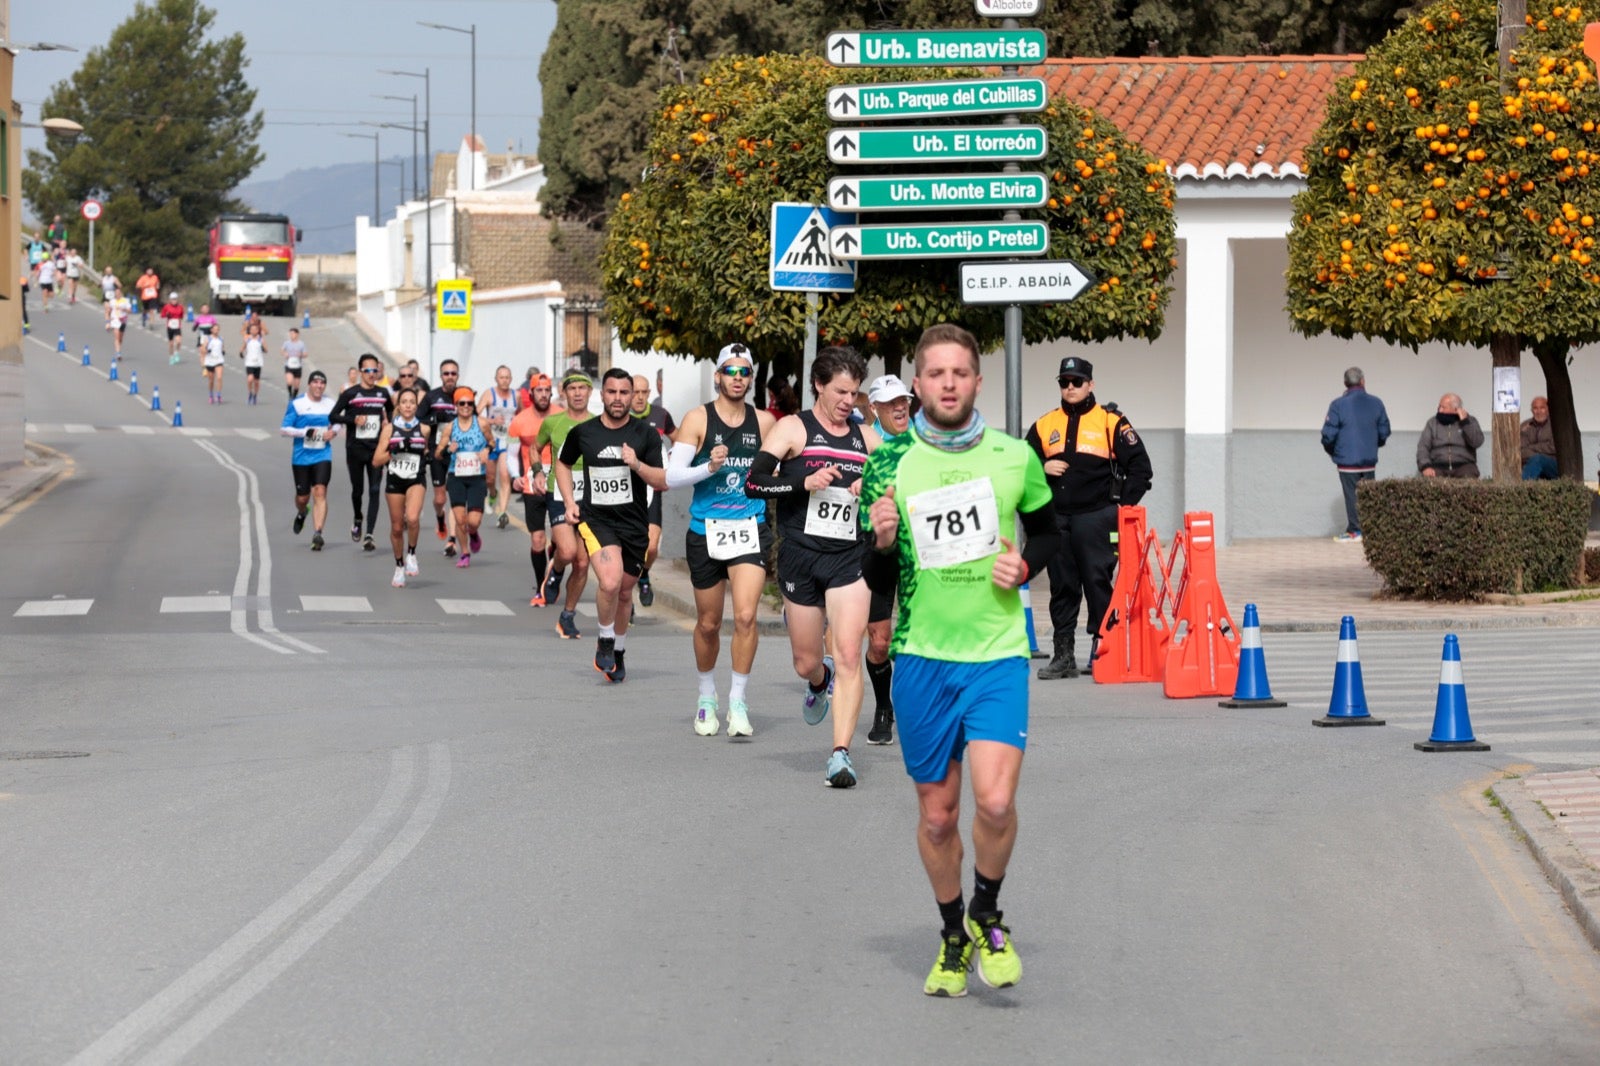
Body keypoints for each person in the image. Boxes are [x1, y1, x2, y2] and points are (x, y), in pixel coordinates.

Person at [860, 322, 1059, 999]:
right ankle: (952, 934)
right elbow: (876, 574)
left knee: (996, 803)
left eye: (960, 372)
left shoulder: (1013, 456)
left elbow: (1050, 531)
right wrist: (880, 542)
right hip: (922, 657)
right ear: (918, 383)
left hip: (996, 655)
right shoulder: (889, 464)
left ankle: (987, 911)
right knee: (939, 816)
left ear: (977, 380)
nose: (948, 384)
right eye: (936, 373)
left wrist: (1025, 565)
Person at [745, 346, 881, 788]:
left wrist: (874, 484)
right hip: (800, 555)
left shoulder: (867, 437)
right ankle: (818, 682)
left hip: (849, 558)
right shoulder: (793, 428)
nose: (848, 401)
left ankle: (840, 755)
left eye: (854, 393)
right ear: (819, 385)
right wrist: (802, 482)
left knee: (849, 653)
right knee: (806, 662)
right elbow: (753, 483)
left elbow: (897, 484)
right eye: (840, 391)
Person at [668, 342, 774, 736]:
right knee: (709, 623)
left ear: (751, 378)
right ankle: (706, 695)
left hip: (749, 527)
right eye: (730, 371)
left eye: (744, 372)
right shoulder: (697, 418)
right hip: (706, 530)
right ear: (718, 376)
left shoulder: (765, 422)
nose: (738, 378)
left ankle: (739, 702)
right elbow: (672, 476)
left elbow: (780, 467)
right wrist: (708, 468)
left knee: (745, 616)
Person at [1025, 356, 1152, 681]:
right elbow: (1022, 465)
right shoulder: (1044, 424)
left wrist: (1119, 509)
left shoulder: (1110, 421)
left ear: (1090, 384)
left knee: (1097, 584)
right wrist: (1041, 467)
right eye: (1064, 382)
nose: (1070, 387)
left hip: (1096, 517)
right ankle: (1063, 655)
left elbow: (1141, 469)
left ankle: (1103, 650)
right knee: (1062, 586)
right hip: (1058, 519)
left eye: (1077, 381)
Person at [555, 368, 668, 683]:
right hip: (597, 520)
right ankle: (605, 639)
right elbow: (562, 463)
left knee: (624, 591)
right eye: (612, 392)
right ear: (602, 394)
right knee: (609, 581)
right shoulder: (584, 432)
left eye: (624, 392)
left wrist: (637, 464)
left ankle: (618, 649)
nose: (618, 398)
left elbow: (661, 481)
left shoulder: (646, 435)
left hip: (634, 524)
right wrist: (569, 501)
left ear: (632, 396)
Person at [863, 373, 914, 746]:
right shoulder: (864, 443)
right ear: (873, 408)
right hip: (876, 548)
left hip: (919, 552)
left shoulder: (924, 443)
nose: (899, 408)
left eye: (903, 401)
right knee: (879, 642)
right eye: (890, 403)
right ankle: (884, 706)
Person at [536, 372, 597, 638]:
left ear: (590, 392)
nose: (578, 393)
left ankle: (567, 616)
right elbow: (534, 448)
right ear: (564, 393)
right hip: (559, 493)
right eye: (573, 389)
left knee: (583, 564)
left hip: (589, 497)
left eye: (583, 388)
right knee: (569, 551)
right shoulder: (553, 422)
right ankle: (557, 568)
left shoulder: (598, 423)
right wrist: (537, 472)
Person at [328, 354, 395, 551]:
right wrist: (353, 420)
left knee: (375, 490)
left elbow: (391, 412)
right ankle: (358, 517)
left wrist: (388, 424)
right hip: (355, 449)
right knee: (358, 491)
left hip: (376, 449)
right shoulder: (351, 393)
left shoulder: (383, 393)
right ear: (360, 372)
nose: (371, 374)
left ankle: (369, 534)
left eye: (375, 370)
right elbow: (333, 416)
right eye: (367, 370)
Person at [1321, 366, 1391, 542]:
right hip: (1369, 460)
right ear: (1362, 381)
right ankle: (1370, 530)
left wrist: (1334, 452)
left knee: (1352, 495)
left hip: (1347, 460)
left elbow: (1328, 435)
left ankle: (1355, 531)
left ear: (1345, 383)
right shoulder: (1376, 403)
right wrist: (1373, 445)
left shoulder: (1338, 405)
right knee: (1368, 494)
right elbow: (1384, 431)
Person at [372, 386, 431, 588]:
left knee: (412, 518)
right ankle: (399, 566)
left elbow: (426, 451)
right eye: (404, 402)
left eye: (412, 402)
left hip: (416, 478)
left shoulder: (424, 429)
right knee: (397, 528)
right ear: (398, 405)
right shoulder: (389, 430)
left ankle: (412, 553)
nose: (408, 406)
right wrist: (393, 452)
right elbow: (376, 460)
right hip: (395, 479)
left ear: (416, 406)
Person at [506, 374, 555, 605]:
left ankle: (555, 561)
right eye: (539, 390)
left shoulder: (561, 416)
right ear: (531, 393)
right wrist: (515, 476)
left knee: (563, 543)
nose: (543, 395)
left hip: (558, 485)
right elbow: (511, 455)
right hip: (531, 486)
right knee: (537, 540)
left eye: (547, 390)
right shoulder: (519, 421)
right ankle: (541, 587)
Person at [281, 370, 340, 550]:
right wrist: (305, 432)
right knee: (303, 498)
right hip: (301, 457)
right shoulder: (297, 404)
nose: (319, 386)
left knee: (320, 492)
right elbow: (284, 429)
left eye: (322, 383)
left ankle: (318, 533)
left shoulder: (330, 404)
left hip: (322, 454)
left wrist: (333, 431)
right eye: (315, 382)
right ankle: (302, 512)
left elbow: (337, 422)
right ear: (309, 384)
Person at [630, 373, 675, 607]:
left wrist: (672, 460)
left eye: (643, 392)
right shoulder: (620, 415)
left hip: (651, 486)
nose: (639, 397)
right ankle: (626, 599)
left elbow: (679, 439)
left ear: (649, 393)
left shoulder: (660, 415)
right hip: (626, 489)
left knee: (651, 546)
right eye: (635, 392)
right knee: (627, 548)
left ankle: (644, 575)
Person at [441, 385, 492, 569]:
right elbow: (438, 453)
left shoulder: (482, 424)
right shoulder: (450, 427)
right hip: (456, 477)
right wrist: (449, 450)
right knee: (460, 519)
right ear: (456, 405)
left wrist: (487, 450)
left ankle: (474, 533)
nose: (466, 406)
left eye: (469, 403)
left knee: (473, 521)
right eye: (462, 403)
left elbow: (492, 442)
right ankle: (465, 552)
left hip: (477, 477)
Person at [420, 361, 465, 553]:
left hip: (459, 453)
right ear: (441, 376)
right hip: (437, 452)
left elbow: (475, 420)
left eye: (453, 373)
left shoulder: (464, 395)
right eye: (446, 373)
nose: (450, 377)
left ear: (458, 376)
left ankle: (452, 539)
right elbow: (418, 419)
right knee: (440, 499)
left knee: (455, 497)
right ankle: (440, 518)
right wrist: (434, 419)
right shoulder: (432, 397)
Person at [479, 365, 520, 530]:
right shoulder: (489, 394)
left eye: (507, 377)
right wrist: (492, 421)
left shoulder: (516, 395)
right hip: (491, 440)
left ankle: (502, 513)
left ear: (511, 379)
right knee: (489, 478)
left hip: (507, 441)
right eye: (501, 377)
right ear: (496, 379)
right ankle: (492, 493)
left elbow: (523, 414)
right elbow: (475, 415)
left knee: (504, 475)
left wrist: (516, 423)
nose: (504, 380)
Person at [1417, 393, 1483, 478]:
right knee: (1431, 479)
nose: (1440, 410)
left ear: (1456, 409)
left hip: (1464, 466)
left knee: (1469, 476)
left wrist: (1465, 422)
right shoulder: (1432, 423)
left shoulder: (1470, 421)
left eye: (1443, 407)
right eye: (1439, 407)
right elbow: (1423, 447)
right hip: (1437, 466)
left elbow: (1476, 442)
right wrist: (1425, 466)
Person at [1521, 396, 1557, 480]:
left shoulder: (1556, 425)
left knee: (1538, 459)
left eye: (1542, 408)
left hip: (1553, 465)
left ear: (1548, 409)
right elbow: (1521, 450)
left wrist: (1532, 448)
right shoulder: (1525, 426)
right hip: (1530, 463)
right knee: (1536, 460)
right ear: (1531, 410)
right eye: (1535, 408)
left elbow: (1553, 447)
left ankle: (1522, 486)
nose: (1539, 412)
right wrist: (1536, 455)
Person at [241, 319, 267, 405]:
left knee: (256, 381)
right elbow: (243, 347)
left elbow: (266, 349)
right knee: (250, 379)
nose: (254, 331)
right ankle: (250, 393)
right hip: (249, 362)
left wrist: (263, 348)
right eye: (252, 329)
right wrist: (241, 352)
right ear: (250, 330)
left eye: (255, 329)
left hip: (258, 362)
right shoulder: (247, 339)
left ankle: (255, 395)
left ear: (258, 330)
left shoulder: (261, 339)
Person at [105, 285, 133, 358]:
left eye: (118, 293)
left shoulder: (125, 301)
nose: (117, 294)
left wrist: (124, 309)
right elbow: (107, 312)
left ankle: (118, 350)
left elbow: (130, 311)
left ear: (121, 293)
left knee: (120, 339)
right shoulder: (112, 301)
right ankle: (118, 353)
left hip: (123, 320)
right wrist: (107, 323)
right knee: (117, 337)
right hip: (115, 320)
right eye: (116, 293)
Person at [201, 320, 226, 402]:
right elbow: (203, 349)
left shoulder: (221, 338)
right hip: (210, 361)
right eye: (215, 329)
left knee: (219, 378)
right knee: (211, 380)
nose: (216, 330)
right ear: (211, 330)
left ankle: (218, 395)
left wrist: (223, 351)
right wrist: (207, 351)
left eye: (217, 329)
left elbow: (222, 348)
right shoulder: (207, 339)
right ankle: (211, 395)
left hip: (219, 360)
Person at [159, 293, 186, 364]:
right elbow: (162, 315)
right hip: (170, 326)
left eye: (175, 299)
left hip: (177, 326)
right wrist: (167, 315)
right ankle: (171, 356)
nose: (174, 301)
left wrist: (179, 320)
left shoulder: (180, 307)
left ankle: (176, 353)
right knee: (171, 344)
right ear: (170, 300)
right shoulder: (166, 307)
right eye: (173, 299)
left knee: (179, 341)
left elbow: (182, 316)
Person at [281, 327, 308, 400]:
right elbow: (282, 350)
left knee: (296, 385)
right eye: (290, 334)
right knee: (289, 381)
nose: (291, 335)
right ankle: (290, 394)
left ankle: (294, 396)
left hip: (298, 366)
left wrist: (301, 355)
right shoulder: (287, 343)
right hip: (289, 365)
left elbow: (306, 354)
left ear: (297, 334)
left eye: (293, 334)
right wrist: (285, 353)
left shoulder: (301, 344)